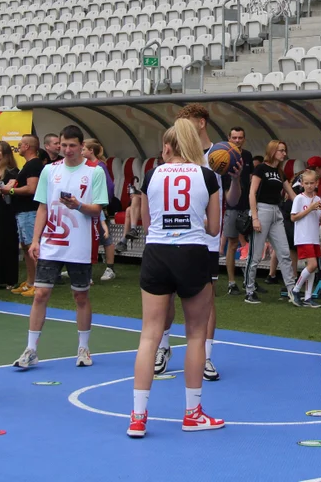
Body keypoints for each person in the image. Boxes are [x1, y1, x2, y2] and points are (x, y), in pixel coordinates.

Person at [129, 119, 224, 438]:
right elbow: (213, 228)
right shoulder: (206, 175)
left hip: (157, 253)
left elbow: (145, 222)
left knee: (149, 336)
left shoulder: (152, 174)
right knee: (196, 335)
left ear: (168, 147)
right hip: (193, 253)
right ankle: (192, 413)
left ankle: (138, 416)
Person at [152, 104, 242, 383]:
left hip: (205, 237)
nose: (182, 127)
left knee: (206, 298)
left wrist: (236, 180)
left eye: (186, 121)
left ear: (201, 123)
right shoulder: (175, 154)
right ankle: (163, 347)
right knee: (165, 297)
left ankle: (206, 354)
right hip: (172, 236)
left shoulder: (219, 155)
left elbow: (233, 199)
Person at [13, 125, 108, 370]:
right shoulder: (49, 170)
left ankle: (83, 348)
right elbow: (42, 207)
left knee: (81, 295)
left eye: (72, 146)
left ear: (81, 146)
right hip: (52, 241)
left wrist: (78, 205)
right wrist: (36, 240)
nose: (67, 150)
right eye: (63, 145)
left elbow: (98, 209)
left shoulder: (94, 172)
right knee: (41, 294)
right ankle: (31, 349)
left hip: (80, 242)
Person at [244, 140, 297, 304]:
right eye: (281, 150)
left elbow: (292, 194)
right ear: (273, 151)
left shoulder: (280, 172)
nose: (284, 154)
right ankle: (249, 290)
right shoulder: (261, 168)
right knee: (255, 255)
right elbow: (252, 193)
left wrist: (308, 205)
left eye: (284, 151)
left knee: (284, 253)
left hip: (276, 211)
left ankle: (292, 290)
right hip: (263, 210)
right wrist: (255, 217)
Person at [5, 135, 43, 296]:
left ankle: (39, 284)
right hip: (23, 212)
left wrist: (10, 190)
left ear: (27, 146)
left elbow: (31, 188)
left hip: (29, 211)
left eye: (20, 144)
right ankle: (30, 281)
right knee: (26, 247)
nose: (18, 147)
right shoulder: (28, 165)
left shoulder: (34, 164)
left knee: (32, 248)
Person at [222, 127, 252, 295]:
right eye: (234, 137)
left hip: (247, 206)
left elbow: (250, 180)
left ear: (244, 139)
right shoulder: (223, 157)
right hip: (232, 207)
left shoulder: (247, 155)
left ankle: (250, 281)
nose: (237, 140)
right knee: (232, 244)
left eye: (240, 137)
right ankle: (231, 283)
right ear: (229, 138)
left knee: (252, 244)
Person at [289, 169, 321, 308]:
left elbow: (320, 220)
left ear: (316, 183)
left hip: (314, 237)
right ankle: (296, 290)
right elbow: (293, 217)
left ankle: (308, 297)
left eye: (312, 183)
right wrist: (310, 209)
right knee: (312, 265)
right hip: (303, 237)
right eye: (307, 183)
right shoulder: (299, 198)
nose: (309, 186)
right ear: (302, 184)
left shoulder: (317, 199)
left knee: (312, 268)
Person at [83, 139, 117, 282]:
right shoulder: (84, 166)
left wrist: (102, 204)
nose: (81, 151)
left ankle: (110, 268)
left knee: (105, 237)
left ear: (91, 151)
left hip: (99, 209)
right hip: (86, 208)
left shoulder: (100, 166)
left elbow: (109, 187)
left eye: (83, 148)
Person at [0, 140, 20, 290]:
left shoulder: (13, 171)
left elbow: (9, 188)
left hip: (7, 211)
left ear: (6, 154)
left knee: (8, 243)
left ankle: (10, 278)